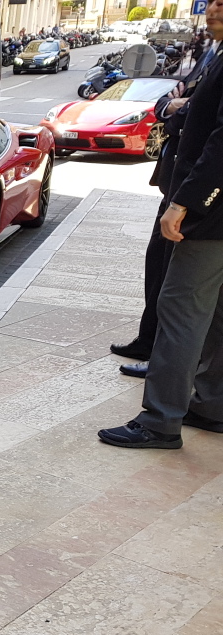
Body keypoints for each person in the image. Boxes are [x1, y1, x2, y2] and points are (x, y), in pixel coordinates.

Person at [99, 0, 223, 449]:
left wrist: (186, 202)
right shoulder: (217, 54)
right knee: (217, 314)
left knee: (181, 309)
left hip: (211, 215)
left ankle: (160, 420)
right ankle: (211, 407)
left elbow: (220, 142)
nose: (212, 9)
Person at [111, 37, 217, 374]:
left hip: (194, 196)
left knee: (179, 296)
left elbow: (200, 123)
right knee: (157, 267)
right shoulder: (208, 55)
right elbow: (166, 107)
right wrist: (175, 109)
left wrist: (179, 110)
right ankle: (149, 342)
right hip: (175, 185)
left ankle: (163, 389)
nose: (214, 7)